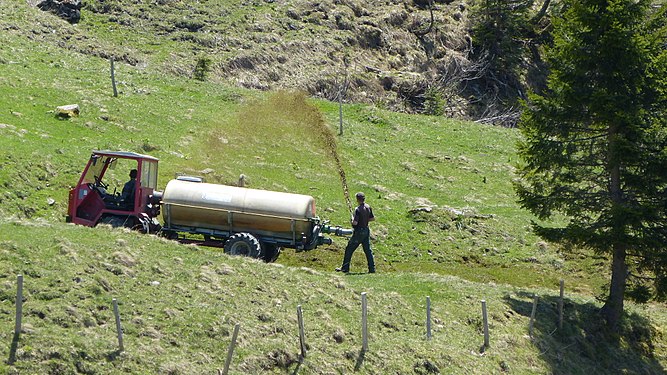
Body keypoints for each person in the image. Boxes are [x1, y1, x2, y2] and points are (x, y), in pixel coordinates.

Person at [336, 192, 376, 273]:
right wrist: (364, 220)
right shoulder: (368, 207)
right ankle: (372, 269)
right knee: (368, 250)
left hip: (359, 232)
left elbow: (355, 223)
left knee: (349, 249)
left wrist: (352, 220)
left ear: (357, 199)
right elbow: (372, 219)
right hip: (366, 230)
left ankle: (345, 268)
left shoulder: (358, 209)